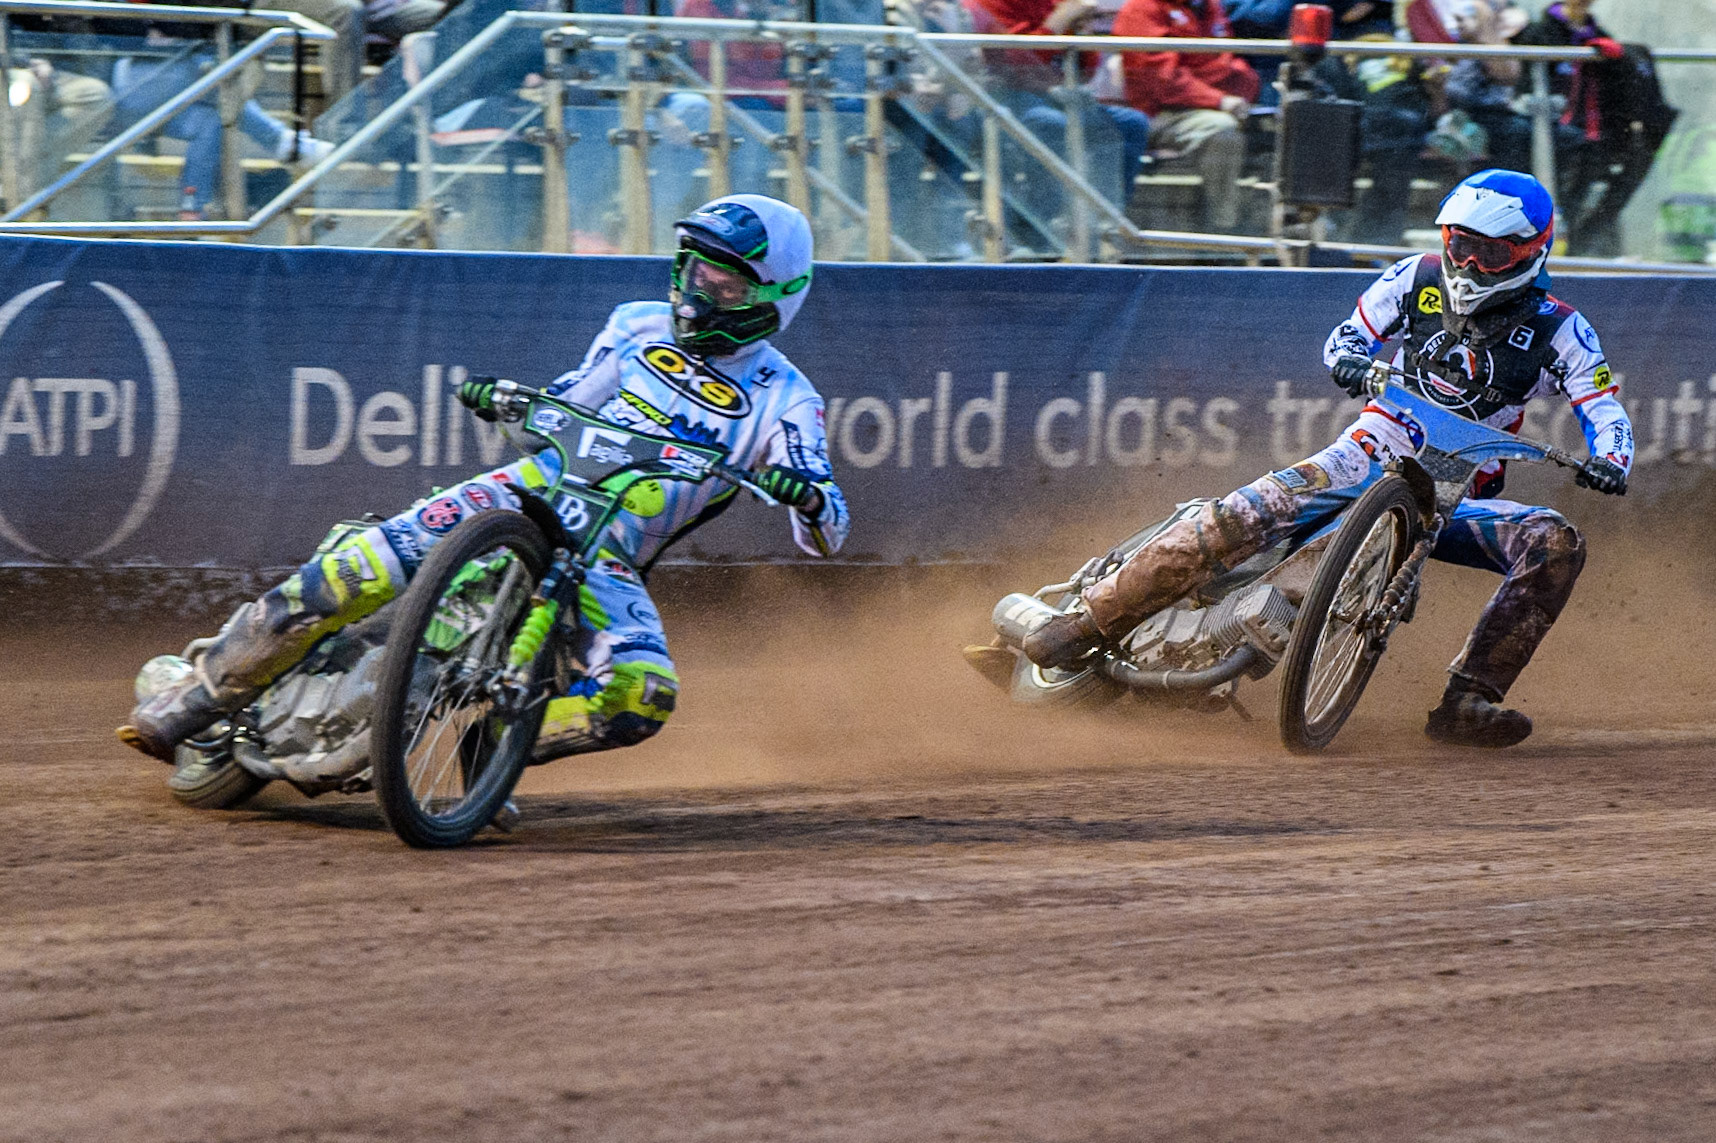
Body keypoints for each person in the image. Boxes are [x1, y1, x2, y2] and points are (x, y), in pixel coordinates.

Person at [120, 194, 850, 763]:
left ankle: (492, 751)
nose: (701, 292)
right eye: (697, 271)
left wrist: (808, 496)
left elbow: (829, 530)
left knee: (641, 696)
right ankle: (200, 695)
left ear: (773, 295)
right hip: (525, 491)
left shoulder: (787, 399)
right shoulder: (635, 325)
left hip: (605, 555)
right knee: (354, 571)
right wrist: (516, 400)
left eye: (725, 284)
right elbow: (560, 406)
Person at [1023, 170, 1632, 748]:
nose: (1470, 265)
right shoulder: (1413, 277)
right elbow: (1348, 336)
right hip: (1363, 455)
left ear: (1531, 254)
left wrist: (1612, 458)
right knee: (1244, 513)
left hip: (1456, 497)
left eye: (1491, 255)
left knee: (1555, 542)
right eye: (1460, 245)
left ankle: (1466, 702)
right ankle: (1088, 624)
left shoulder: (1562, 330)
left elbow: (1604, 407)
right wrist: (1347, 360)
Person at [1514, 1, 1676, 257]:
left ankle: (1579, 250)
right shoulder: (1540, 32)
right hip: (1547, 136)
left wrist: (1616, 60)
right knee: (1554, 202)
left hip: (1596, 137)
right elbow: (1523, 80)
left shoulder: (1600, 34)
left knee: (1603, 185)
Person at [1110, 0, 1259, 232]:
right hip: (1157, 114)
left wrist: (1216, 89)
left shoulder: (1210, 6)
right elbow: (1161, 80)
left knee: (1275, 122)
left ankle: (1282, 225)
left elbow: (1229, 65)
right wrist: (1218, 98)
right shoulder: (1141, 8)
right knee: (1222, 130)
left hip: (1206, 104)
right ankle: (1225, 231)